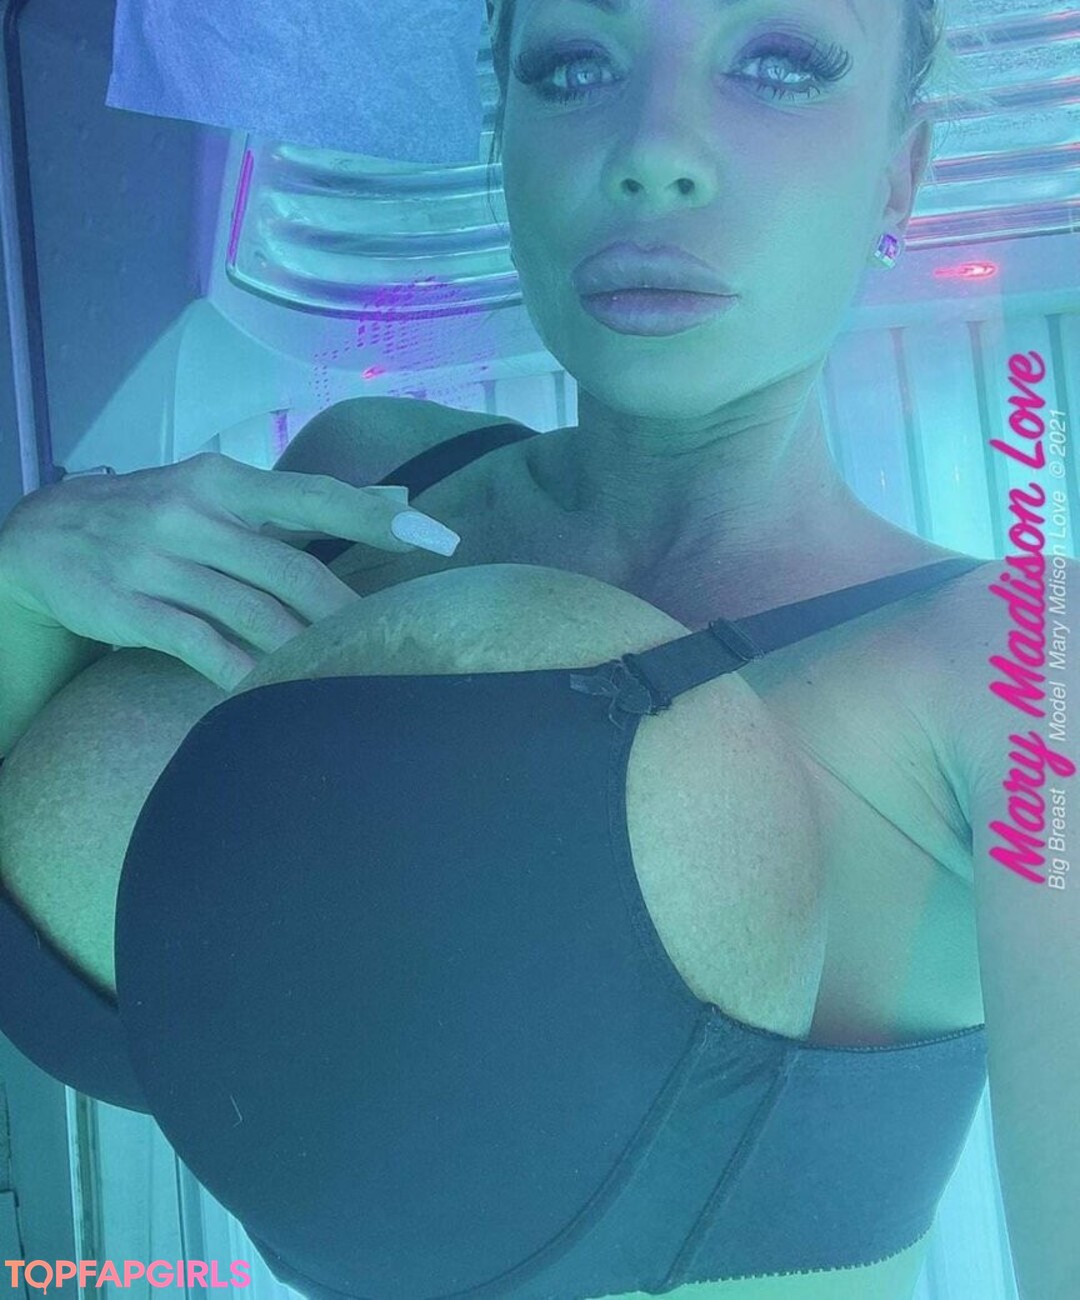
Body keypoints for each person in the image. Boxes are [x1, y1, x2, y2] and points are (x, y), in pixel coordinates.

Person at [0, 1, 1056, 1298]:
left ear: (901, 169)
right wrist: (21, 581)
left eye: (778, 64)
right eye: (572, 64)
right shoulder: (365, 472)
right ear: (505, 134)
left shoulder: (1019, 672)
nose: (653, 150)